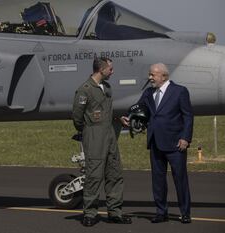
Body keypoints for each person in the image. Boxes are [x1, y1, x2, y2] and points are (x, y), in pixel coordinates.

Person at [121, 63, 193, 224]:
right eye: (150, 74)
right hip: (155, 143)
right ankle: (161, 212)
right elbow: (138, 107)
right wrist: (128, 116)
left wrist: (185, 138)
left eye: (153, 75)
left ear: (164, 76)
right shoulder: (148, 92)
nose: (150, 77)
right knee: (158, 181)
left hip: (176, 144)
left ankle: (185, 212)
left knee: (180, 179)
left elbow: (188, 116)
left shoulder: (180, 91)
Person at [73, 57, 132, 227]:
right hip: (95, 136)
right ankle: (90, 213)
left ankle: (115, 213)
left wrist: (117, 119)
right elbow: (77, 118)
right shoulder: (84, 90)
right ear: (101, 70)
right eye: (110, 69)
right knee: (94, 176)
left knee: (114, 174)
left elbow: (106, 110)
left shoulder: (107, 87)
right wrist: (90, 130)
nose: (112, 72)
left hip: (110, 136)